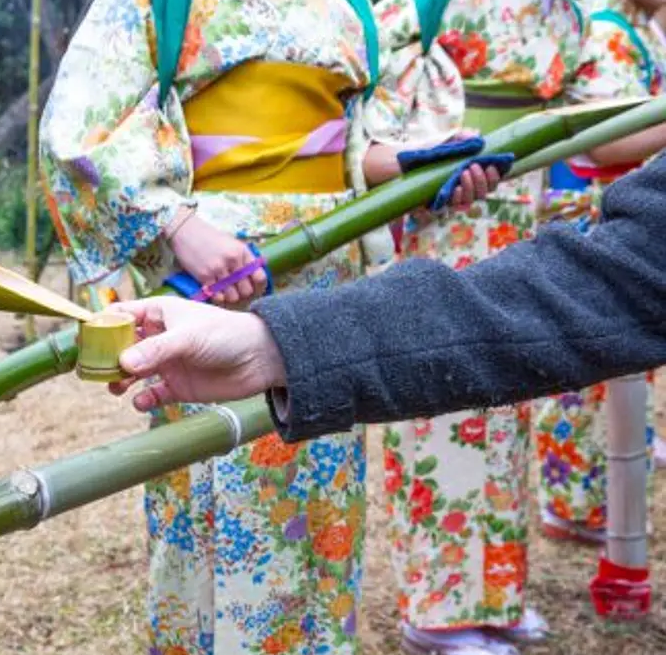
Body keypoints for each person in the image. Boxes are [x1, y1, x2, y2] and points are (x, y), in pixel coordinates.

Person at [39, 0, 497, 655]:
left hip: (329, 271)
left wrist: (412, 169)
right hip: (217, 273)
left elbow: (343, 146)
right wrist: (179, 229)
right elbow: (78, 131)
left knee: (323, 494)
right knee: (222, 492)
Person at [106, 148, 666, 453]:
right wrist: (177, 223)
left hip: (330, 245)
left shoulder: (347, 0)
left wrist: (397, 161)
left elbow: (356, 135)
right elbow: (92, 133)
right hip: (231, 258)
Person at [357, 0, 594, 655]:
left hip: (526, 217)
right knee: (445, 402)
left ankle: (496, 591)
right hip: (447, 217)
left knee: (510, 403)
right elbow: (361, 90)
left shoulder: (567, 13)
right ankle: (437, 608)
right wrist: (417, 154)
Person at [534, 0, 666, 545]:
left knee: (614, 371)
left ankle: (599, 501)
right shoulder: (610, 31)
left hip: (614, 206)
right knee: (586, 368)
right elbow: (609, 143)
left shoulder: (634, 29)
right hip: (592, 206)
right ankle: (573, 503)